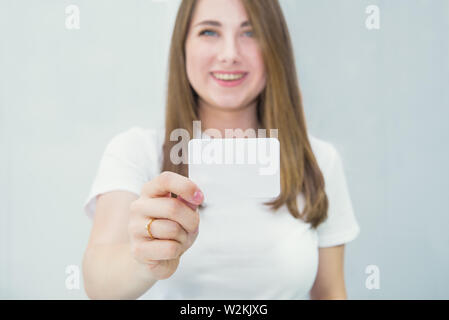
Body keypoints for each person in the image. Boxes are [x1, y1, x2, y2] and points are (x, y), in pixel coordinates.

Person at [82, 0, 360, 300]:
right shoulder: (137, 152)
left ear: (275, 46)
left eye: (250, 33)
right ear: (183, 46)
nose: (230, 55)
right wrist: (144, 259)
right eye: (209, 32)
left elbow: (331, 294)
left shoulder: (318, 161)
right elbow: (100, 285)